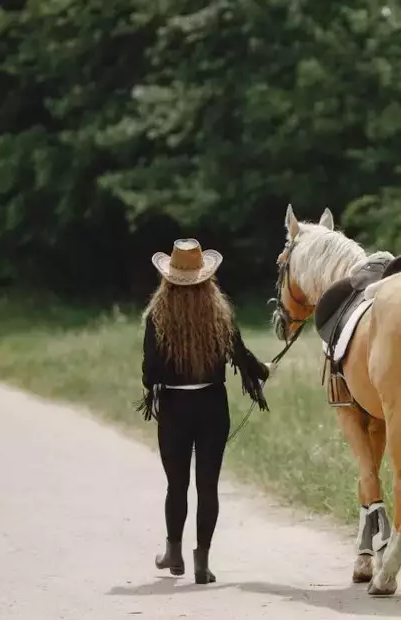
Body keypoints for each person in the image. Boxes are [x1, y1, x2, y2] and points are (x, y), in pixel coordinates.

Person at [135, 238, 270, 584]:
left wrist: (157, 383)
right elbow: (240, 356)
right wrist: (261, 370)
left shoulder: (157, 316)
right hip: (212, 404)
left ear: (168, 277)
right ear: (206, 278)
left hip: (175, 407)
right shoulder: (219, 314)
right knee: (207, 485)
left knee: (176, 485)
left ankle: (174, 553)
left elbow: (150, 372)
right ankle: (202, 563)